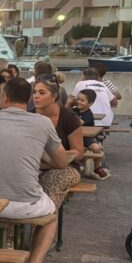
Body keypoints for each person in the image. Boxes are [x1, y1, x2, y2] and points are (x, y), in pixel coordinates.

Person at [0, 78, 75, 263]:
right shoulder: (43, 123)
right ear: (28, 99)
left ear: (4, 97)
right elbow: (62, 162)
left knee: (4, 202)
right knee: (50, 216)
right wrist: (40, 155)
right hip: (23, 203)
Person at [31, 76, 84, 208]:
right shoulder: (29, 116)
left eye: (42, 93)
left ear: (54, 96)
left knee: (50, 183)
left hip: (65, 167)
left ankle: (44, 221)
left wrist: (61, 156)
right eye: (34, 92)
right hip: (34, 166)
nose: (36, 96)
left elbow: (79, 152)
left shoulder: (69, 118)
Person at [74, 89, 110, 179]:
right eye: (77, 99)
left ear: (90, 104)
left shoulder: (88, 114)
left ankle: (98, 167)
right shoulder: (74, 110)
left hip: (87, 137)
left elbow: (76, 123)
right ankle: (75, 166)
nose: (78, 101)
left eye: (82, 100)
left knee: (96, 148)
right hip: (75, 136)